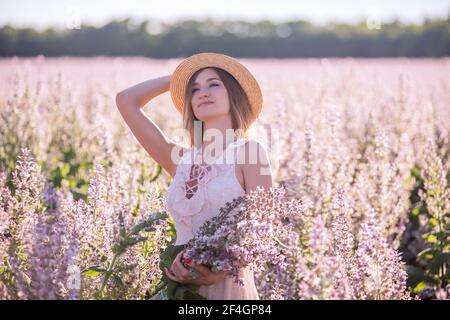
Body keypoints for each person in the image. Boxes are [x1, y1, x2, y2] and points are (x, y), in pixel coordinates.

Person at [115, 52, 272, 299]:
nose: (203, 93)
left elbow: (263, 227)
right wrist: (179, 79)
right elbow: (125, 100)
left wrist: (218, 273)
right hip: (181, 290)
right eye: (195, 89)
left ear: (235, 94)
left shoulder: (250, 151)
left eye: (214, 84)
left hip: (229, 287)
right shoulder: (181, 160)